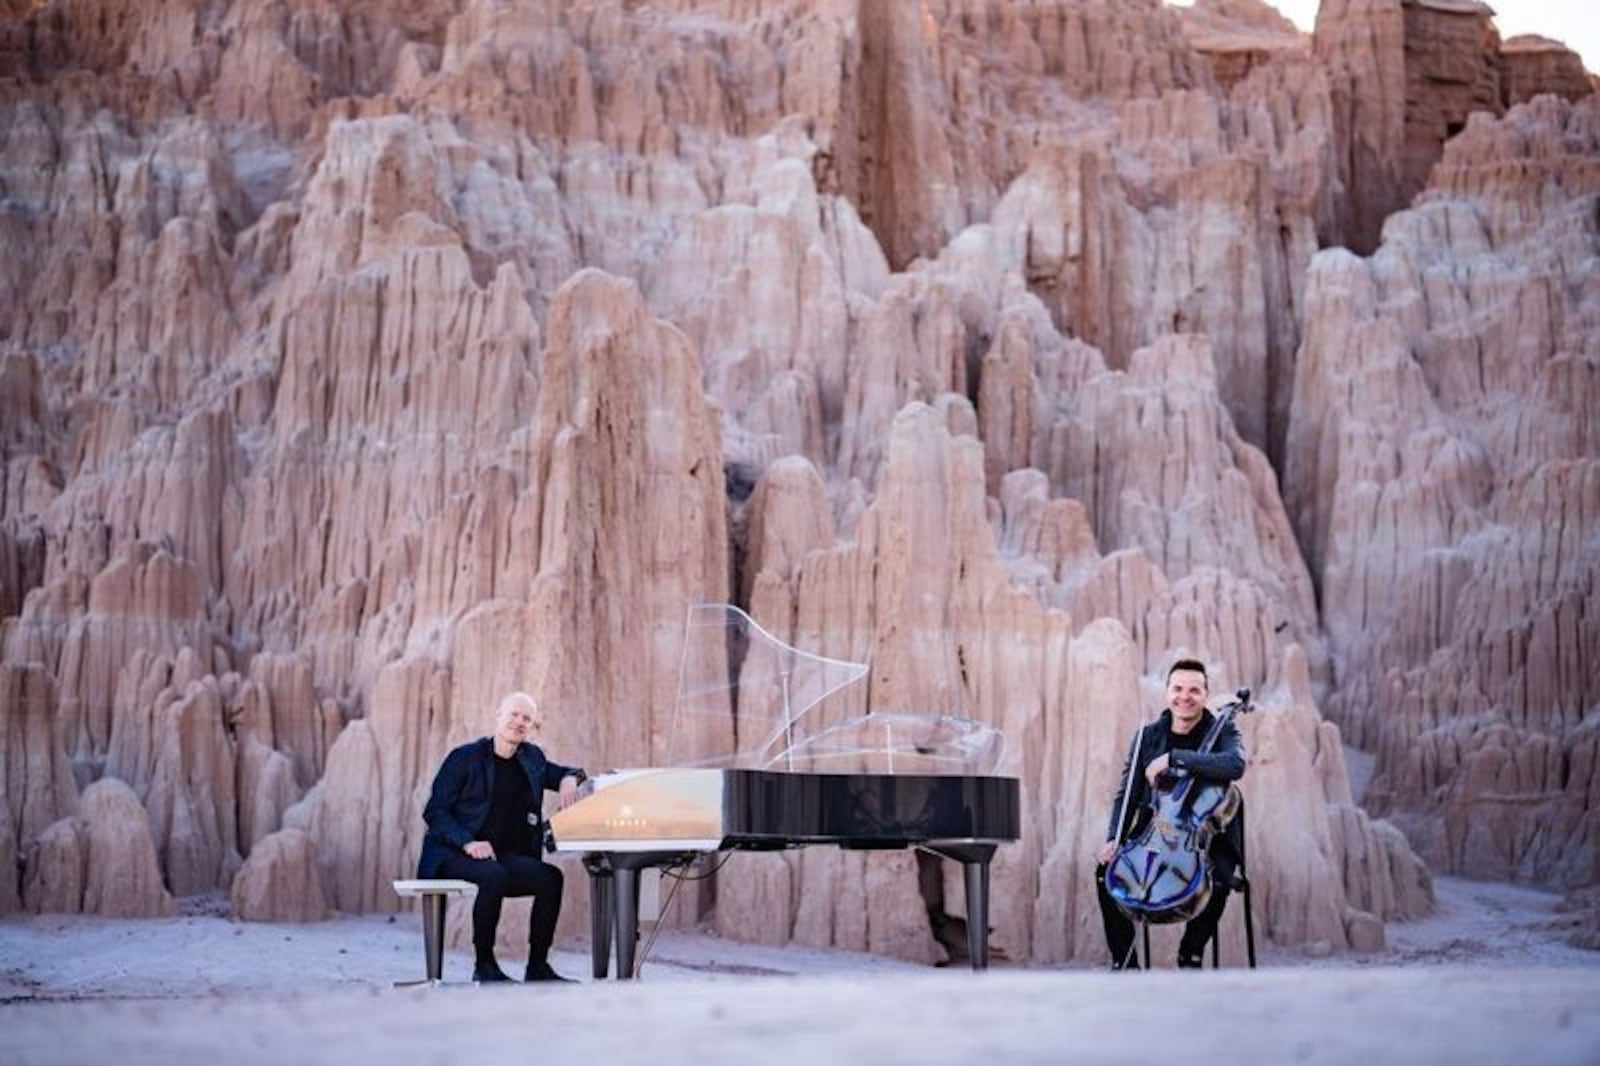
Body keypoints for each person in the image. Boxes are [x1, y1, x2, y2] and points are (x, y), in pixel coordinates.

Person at [418, 691, 587, 983]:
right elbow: (435, 812)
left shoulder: (531, 758)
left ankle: (537, 967)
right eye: (514, 715)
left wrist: (570, 777)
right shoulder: (464, 758)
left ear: (532, 726)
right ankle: (483, 965)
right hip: (451, 853)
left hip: (499, 856)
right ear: (498, 716)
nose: (519, 722)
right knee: (493, 875)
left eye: (527, 719)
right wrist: (467, 843)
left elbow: (565, 772)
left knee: (551, 878)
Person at [1094, 658, 1246, 970]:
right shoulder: (1148, 736)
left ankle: (1190, 953)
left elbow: (1234, 765)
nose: (1184, 696)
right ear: (1167, 693)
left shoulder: (1222, 731)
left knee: (1216, 879)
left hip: (1206, 834)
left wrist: (1173, 758)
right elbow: (1128, 795)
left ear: (1205, 695)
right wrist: (1114, 839)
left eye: (1194, 690)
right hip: (1155, 827)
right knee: (1106, 873)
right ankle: (1125, 962)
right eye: (1178, 689)